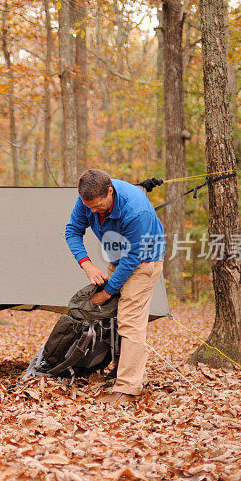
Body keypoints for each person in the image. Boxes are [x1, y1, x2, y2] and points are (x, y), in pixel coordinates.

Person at [64, 169, 165, 405]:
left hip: (144, 261)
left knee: (130, 321)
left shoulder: (135, 209)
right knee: (114, 317)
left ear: (109, 192)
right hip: (117, 257)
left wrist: (107, 292)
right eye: (88, 207)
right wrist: (86, 264)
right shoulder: (87, 199)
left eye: (98, 207)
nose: (92, 211)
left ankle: (128, 389)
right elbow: (72, 230)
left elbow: (134, 257)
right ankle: (127, 371)